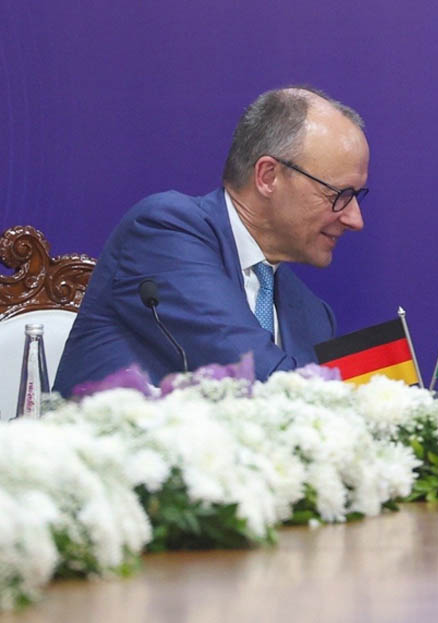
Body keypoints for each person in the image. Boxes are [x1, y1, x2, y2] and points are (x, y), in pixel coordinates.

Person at [54, 86, 368, 395]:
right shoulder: (164, 232)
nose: (355, 219)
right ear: (268, 176)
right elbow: (258, 381)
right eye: (340, 194)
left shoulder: (314, 316)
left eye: (357, 196)